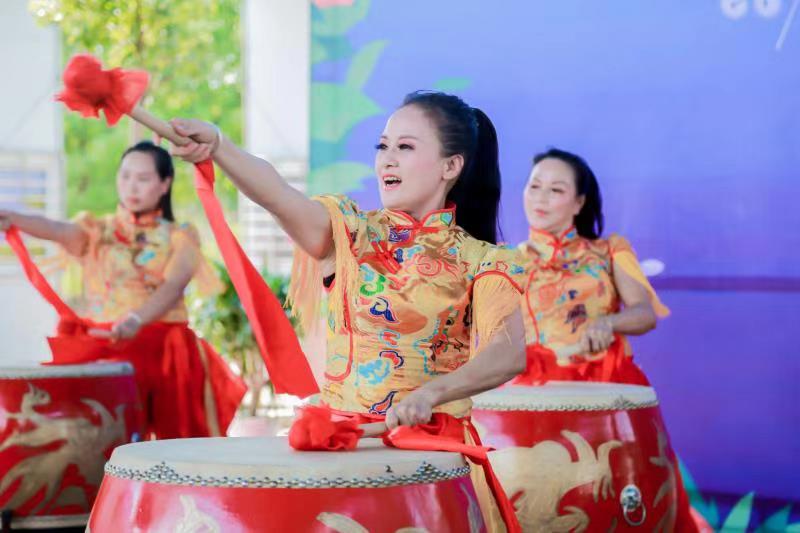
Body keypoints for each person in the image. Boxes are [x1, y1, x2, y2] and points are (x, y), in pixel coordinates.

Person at [169, 91, 527, 530]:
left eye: (405, 147)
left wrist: (432, 394)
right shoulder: (351, 235)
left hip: (431, 457)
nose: (387, 159)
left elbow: (507, 353)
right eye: (383, 146)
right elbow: (278, 195)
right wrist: (220, 147)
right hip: (342, 445)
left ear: (451, 166)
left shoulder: (482, 260)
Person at [0, 141, 246, 439]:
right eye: (126, 176)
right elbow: (56, 229)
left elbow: (172, 287)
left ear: (165, 184)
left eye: (143, 179)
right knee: (97, 440)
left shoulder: (180, 235)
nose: (132, 186)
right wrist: (14, 218)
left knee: (172, 445)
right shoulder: (96, 231)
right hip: (106, 348)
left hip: (164, 352)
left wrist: (136, 320)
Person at [515, 148, 669, 385]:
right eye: (534, 186)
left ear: (579, 203)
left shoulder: (610, 251)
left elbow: (644, 314)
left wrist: (608, 323)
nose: (541, 197)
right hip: (529, 391)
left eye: (556, 189)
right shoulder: (507, 262)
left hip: (602, 385)